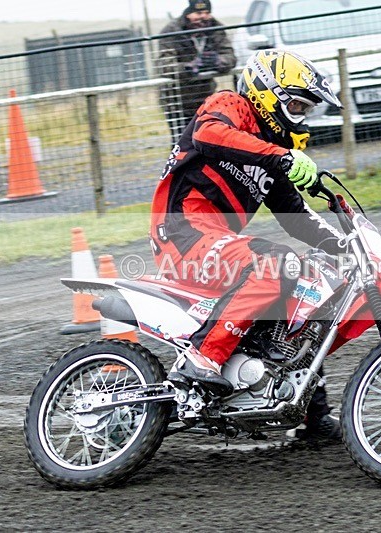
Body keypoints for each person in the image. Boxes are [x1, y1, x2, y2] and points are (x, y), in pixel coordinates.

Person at [150, 49, 345, 439]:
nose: (300, 116)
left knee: (308, 284)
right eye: (296, 105)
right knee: (275, 264)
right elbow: (208, 134)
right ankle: (204, 359)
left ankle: (310, 413)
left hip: (217, 244)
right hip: (183, 235)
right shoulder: (230, 106)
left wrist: (347, 244)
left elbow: (297, 218)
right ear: (266, 94)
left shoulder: (270, 157)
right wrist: (282, 156)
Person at [156, 1, 237, 143]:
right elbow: (164, 65)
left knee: (210, 140)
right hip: (176, 101)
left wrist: (218, 61)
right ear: (188, 14)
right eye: (198, 13)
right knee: (182, 142)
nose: (203, 17)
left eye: (206, 13)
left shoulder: (215, 28)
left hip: (206, 97)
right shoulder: (171, 31)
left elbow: (229, 56)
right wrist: (189, 67)